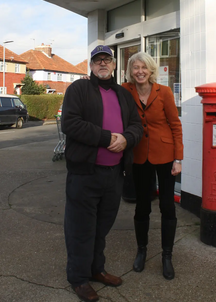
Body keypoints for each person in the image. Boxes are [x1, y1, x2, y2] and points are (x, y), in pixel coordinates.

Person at [62, 45, 143, 302]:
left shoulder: (123, 94)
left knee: (101, 227)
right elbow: (71, 123)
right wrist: (108, 138)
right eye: (98, 60)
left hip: (113, 175)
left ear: (115, 64)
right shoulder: (79, 89)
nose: (103, 64)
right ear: (92, 65)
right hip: (85, 174)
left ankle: (97, 269)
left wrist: (127, 139)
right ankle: (79, 278)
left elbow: (136, 126)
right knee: (81, 229)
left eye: (107, 59)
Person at [122, 51, 183, 280]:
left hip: (165, 154)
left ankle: (167, 256)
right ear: (130, 71)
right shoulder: (125, 90)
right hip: (139, 156)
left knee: (167, 206)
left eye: (143, 67)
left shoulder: (164, 92)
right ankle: (142, 251)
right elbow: (105, 94)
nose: (140, 71)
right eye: (135, 67)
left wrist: (178, 158)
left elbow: (175, 125)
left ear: (150, 70)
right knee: (142, 207)